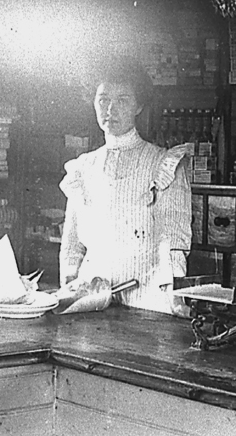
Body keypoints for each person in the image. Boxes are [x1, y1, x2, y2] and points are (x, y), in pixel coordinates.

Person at [58, 58, 191, 315]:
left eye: (122, 100)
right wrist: (68, 288)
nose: (110, 109)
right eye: (103, 100)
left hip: (147, 302)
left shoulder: (163, 164)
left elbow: (172, 240)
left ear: (139, 106)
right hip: (91, 301)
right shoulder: (83, 168)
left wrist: (175, 297)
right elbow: (72, 242)